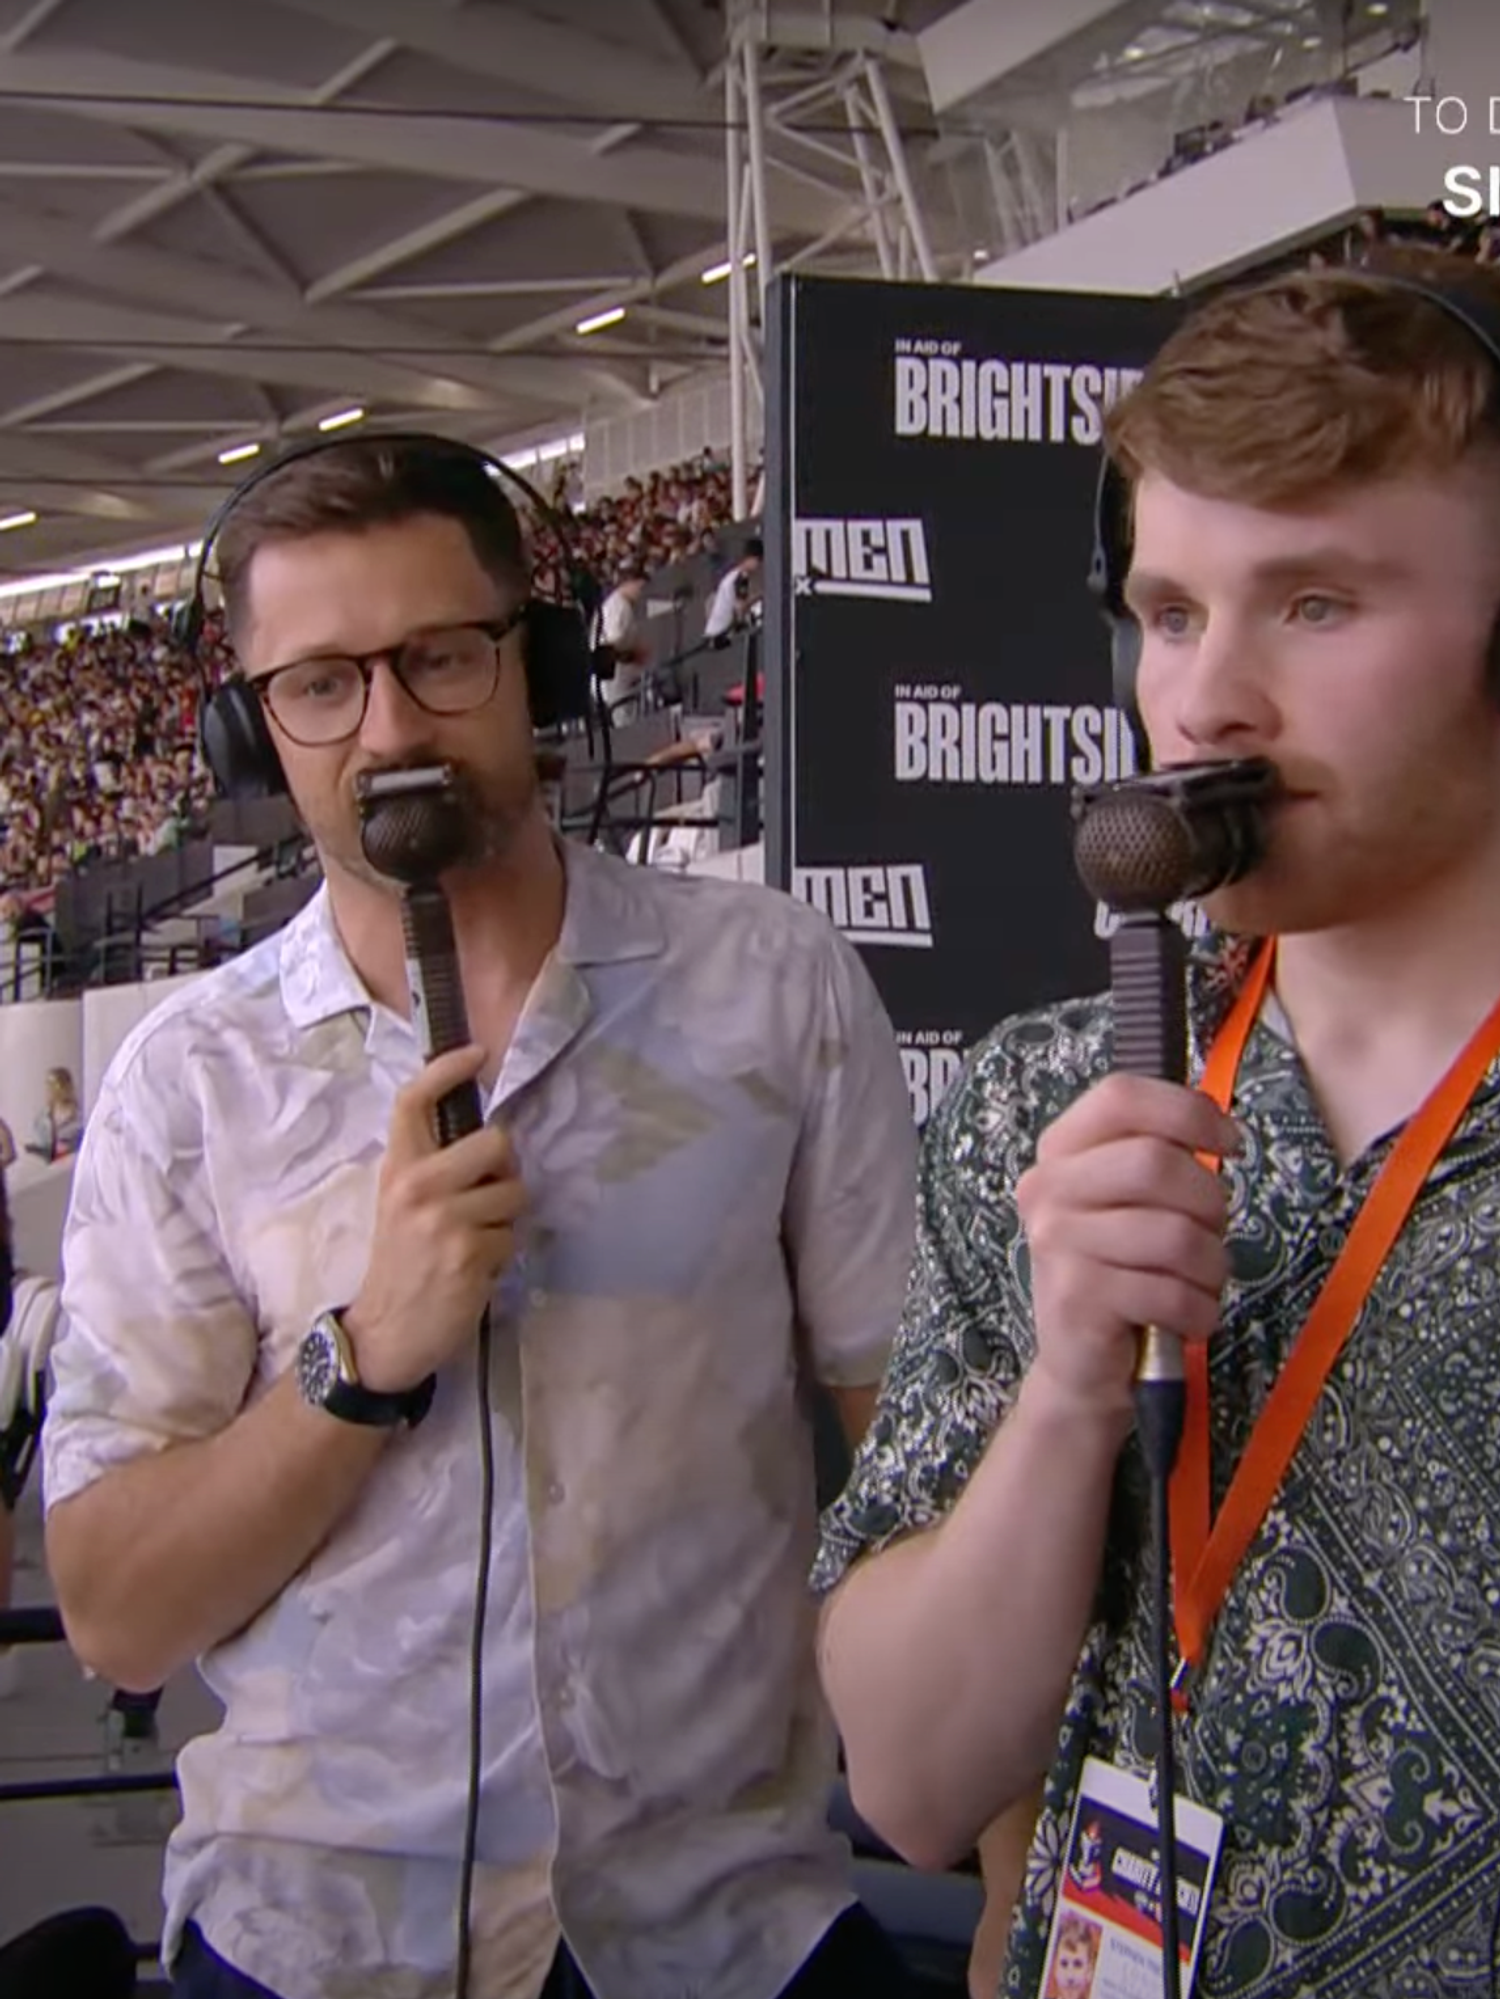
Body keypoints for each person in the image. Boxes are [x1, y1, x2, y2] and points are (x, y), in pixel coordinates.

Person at [41, 435, 919, 1999]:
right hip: (314, 1940)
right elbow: (116, 1614)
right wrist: (362, 1355)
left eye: (441, 656)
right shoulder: (187, 1082)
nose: (391, 728)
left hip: (728, 1928)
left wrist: (1010, 1857)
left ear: (545, 665)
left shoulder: (771, 986)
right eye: (322, 683)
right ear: (254, 732)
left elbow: (909, 1451)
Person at [814, 246, 1500, 1992]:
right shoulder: (1046, 1104)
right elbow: (909, 1777)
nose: (1205, 703)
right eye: (1173, 614)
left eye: (1317, 605)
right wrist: (1064, 1390)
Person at [705, 538, 764, 642]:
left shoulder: (736, 575)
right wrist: (761, 595)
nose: (759, 565)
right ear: (751, 558)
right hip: (719, 636)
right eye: (759, 560)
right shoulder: (740, 577)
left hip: (720, 633)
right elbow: (740, 607)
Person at [25, 1067, 82, 1163]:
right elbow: (41, 1140)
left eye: (51, 1085)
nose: (48, 1089)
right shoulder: (43, 1116)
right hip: (49, 1161)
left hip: (70, 1160)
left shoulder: (78, 1114)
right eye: (47, 1085)